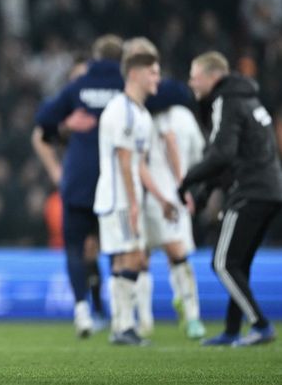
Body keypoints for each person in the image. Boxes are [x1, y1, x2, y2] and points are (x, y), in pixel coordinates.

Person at [179, 51, 282, 346]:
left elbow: (221, 155)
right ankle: (231, 330)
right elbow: (234, 158)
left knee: (223, 263)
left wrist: (189, 179)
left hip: (250, 191)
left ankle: (261, 325)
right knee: (238, 263)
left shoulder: (225, 101)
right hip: (272, 190)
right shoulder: (249, 99)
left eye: (195, 74)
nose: (191, 81)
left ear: (213, 76)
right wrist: (204, 194)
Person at [32, 35, 124, 337]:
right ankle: (122, 315)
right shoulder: (124, 87)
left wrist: (60, 130)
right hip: (114, 180)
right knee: (113, 248)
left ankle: (85, 309)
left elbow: (42, 124)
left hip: (81, 179)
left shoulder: (76, 91)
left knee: (78, 247)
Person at [94, 51, 176, 346]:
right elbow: (124, 158)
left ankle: (121, 324)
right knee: (133, 257)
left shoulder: (141, 113)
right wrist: (131, 204)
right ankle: (124, 326)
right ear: (134, 74)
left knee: (129, 258)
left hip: (128, 198)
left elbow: (139, 165)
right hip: (118, 198)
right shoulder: (122, 110)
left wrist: (162, 198)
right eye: (152, 72)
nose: (157, 78)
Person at [142, 78, 207, 340]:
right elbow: (197, 156)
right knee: (177, 255)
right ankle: (190, 313)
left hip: (151, 194)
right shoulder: (184, 117)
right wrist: (186, 187)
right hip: (170, 193)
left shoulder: (143, 116)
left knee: (141, 259)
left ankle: (143, 319)